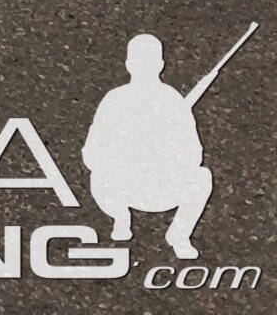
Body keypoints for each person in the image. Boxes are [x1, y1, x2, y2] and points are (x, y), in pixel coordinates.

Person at [82, 33, 215, 259]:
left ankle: (179, 235)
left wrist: (163, 156)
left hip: (162, 187)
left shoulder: (173, 102)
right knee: (98, 176)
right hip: (121, 187)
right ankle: (120, 217)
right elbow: (92, 153)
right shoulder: (115, 100)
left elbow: (194, 155)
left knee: (202, 178)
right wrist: (124, 157)